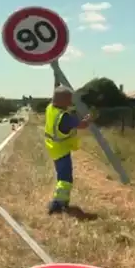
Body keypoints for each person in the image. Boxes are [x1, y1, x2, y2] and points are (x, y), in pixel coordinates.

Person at [44, 85, 92, 214]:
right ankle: (57, 204)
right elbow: (81, 125)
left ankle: (62, 201)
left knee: (61, 175)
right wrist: (88, 119)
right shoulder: (63, 117)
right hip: (61, 150)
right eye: (69, 99)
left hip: (53, 148)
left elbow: (57, 97)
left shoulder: (50, 108)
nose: (71, 102)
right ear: (63, 100)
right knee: (65, 179)